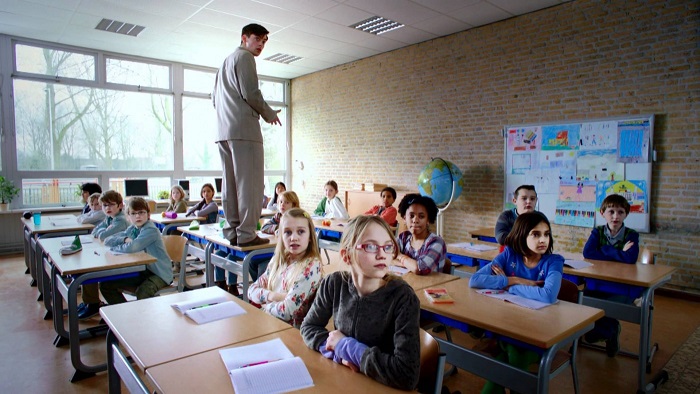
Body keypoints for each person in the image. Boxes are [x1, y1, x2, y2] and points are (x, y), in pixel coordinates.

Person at [300, 215, 420, 390]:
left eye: (387, 246)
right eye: (371, 246)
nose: (382, 255)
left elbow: (407, 374)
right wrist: (337, 354)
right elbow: (309, 327)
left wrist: (346, 347)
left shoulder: (403, 298)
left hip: (381, 387)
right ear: (347, 256)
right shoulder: (334, 283)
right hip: (343, 381)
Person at [470, 211, 563, 394]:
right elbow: (475, 280)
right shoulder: (509, 256)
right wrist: (513, 280)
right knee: (509, 354)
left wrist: (509, 287)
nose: (543, 239)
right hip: (509, 326)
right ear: (522, 234)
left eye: (546, 234)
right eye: (535, 234)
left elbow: (547, 295)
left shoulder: (553, 262)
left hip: (540, 334)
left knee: (511, 355)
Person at [213, 23, 281, 248]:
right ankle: (247, 233)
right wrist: (269, 113)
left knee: (230, 185)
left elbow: (214, 99)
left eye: (264, 41)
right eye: (257, 39)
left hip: (224, 131)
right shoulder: (245, 58)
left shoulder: (225, 62)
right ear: (244, 38)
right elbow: (251, 92)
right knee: (250, 185)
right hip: (244, 131)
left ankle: (232, 231)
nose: (261, 44)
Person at [582, 194, 640, 357]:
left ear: (626, 214)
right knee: (585, 298)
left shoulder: (631, 234)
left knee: (607, 305)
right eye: (611, 211)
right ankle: (609, 330)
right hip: (598, 282)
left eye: (620, 212)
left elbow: (630, 259)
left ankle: (606, 330)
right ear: (602, 213)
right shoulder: (598, 231)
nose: (615, 216)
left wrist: (604, 250)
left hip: (621, 285)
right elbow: (588, 253)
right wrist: (617, 252)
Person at [248, 208, 322, 328]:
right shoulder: (279, 259)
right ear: (281, 236)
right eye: (287, 232)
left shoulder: (311, 265)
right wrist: (273, 296)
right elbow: (251, 290)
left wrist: (264, 304)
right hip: (269, 324)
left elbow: (287, 311)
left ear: (310, 236)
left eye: (301, 232)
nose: (293, 238)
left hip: (291, 333)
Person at [100, 197, 173, 304]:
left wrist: (116, 247)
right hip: (143, 271)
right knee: (106, 285)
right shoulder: (133, 228)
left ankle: (144, 318)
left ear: (148, 215)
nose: (138, 216)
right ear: (128, 217)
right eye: (133, 213)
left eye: (141, 212)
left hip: (159, 273)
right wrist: (124, 239)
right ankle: (125, 313)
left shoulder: (150, 230)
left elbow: (133, 247)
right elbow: (107, 240)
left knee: (143, 291)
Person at [79, 190, 128, 319]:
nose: (107, 208)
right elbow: (95, 231)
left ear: (120, 205)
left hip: (122, 260)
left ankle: (93, 304)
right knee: (87, 264)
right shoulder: (110, 218)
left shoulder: (121, 220)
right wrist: (102, 231)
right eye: (105, 205)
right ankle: (90, 302)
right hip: (112, 254)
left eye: (111, 205)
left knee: (89, 270)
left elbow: (102, 235)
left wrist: (102, 232)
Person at [395, 193, 446, 275]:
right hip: (408, 283)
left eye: (421, 216)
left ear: (428, 220)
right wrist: (408, 264)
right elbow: (387, 254)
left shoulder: (436, 242)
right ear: (404, 218)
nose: (415, 220)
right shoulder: (403, 237)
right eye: (411, 216)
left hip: (431, 285)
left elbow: (420, 268)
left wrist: (399, 256)